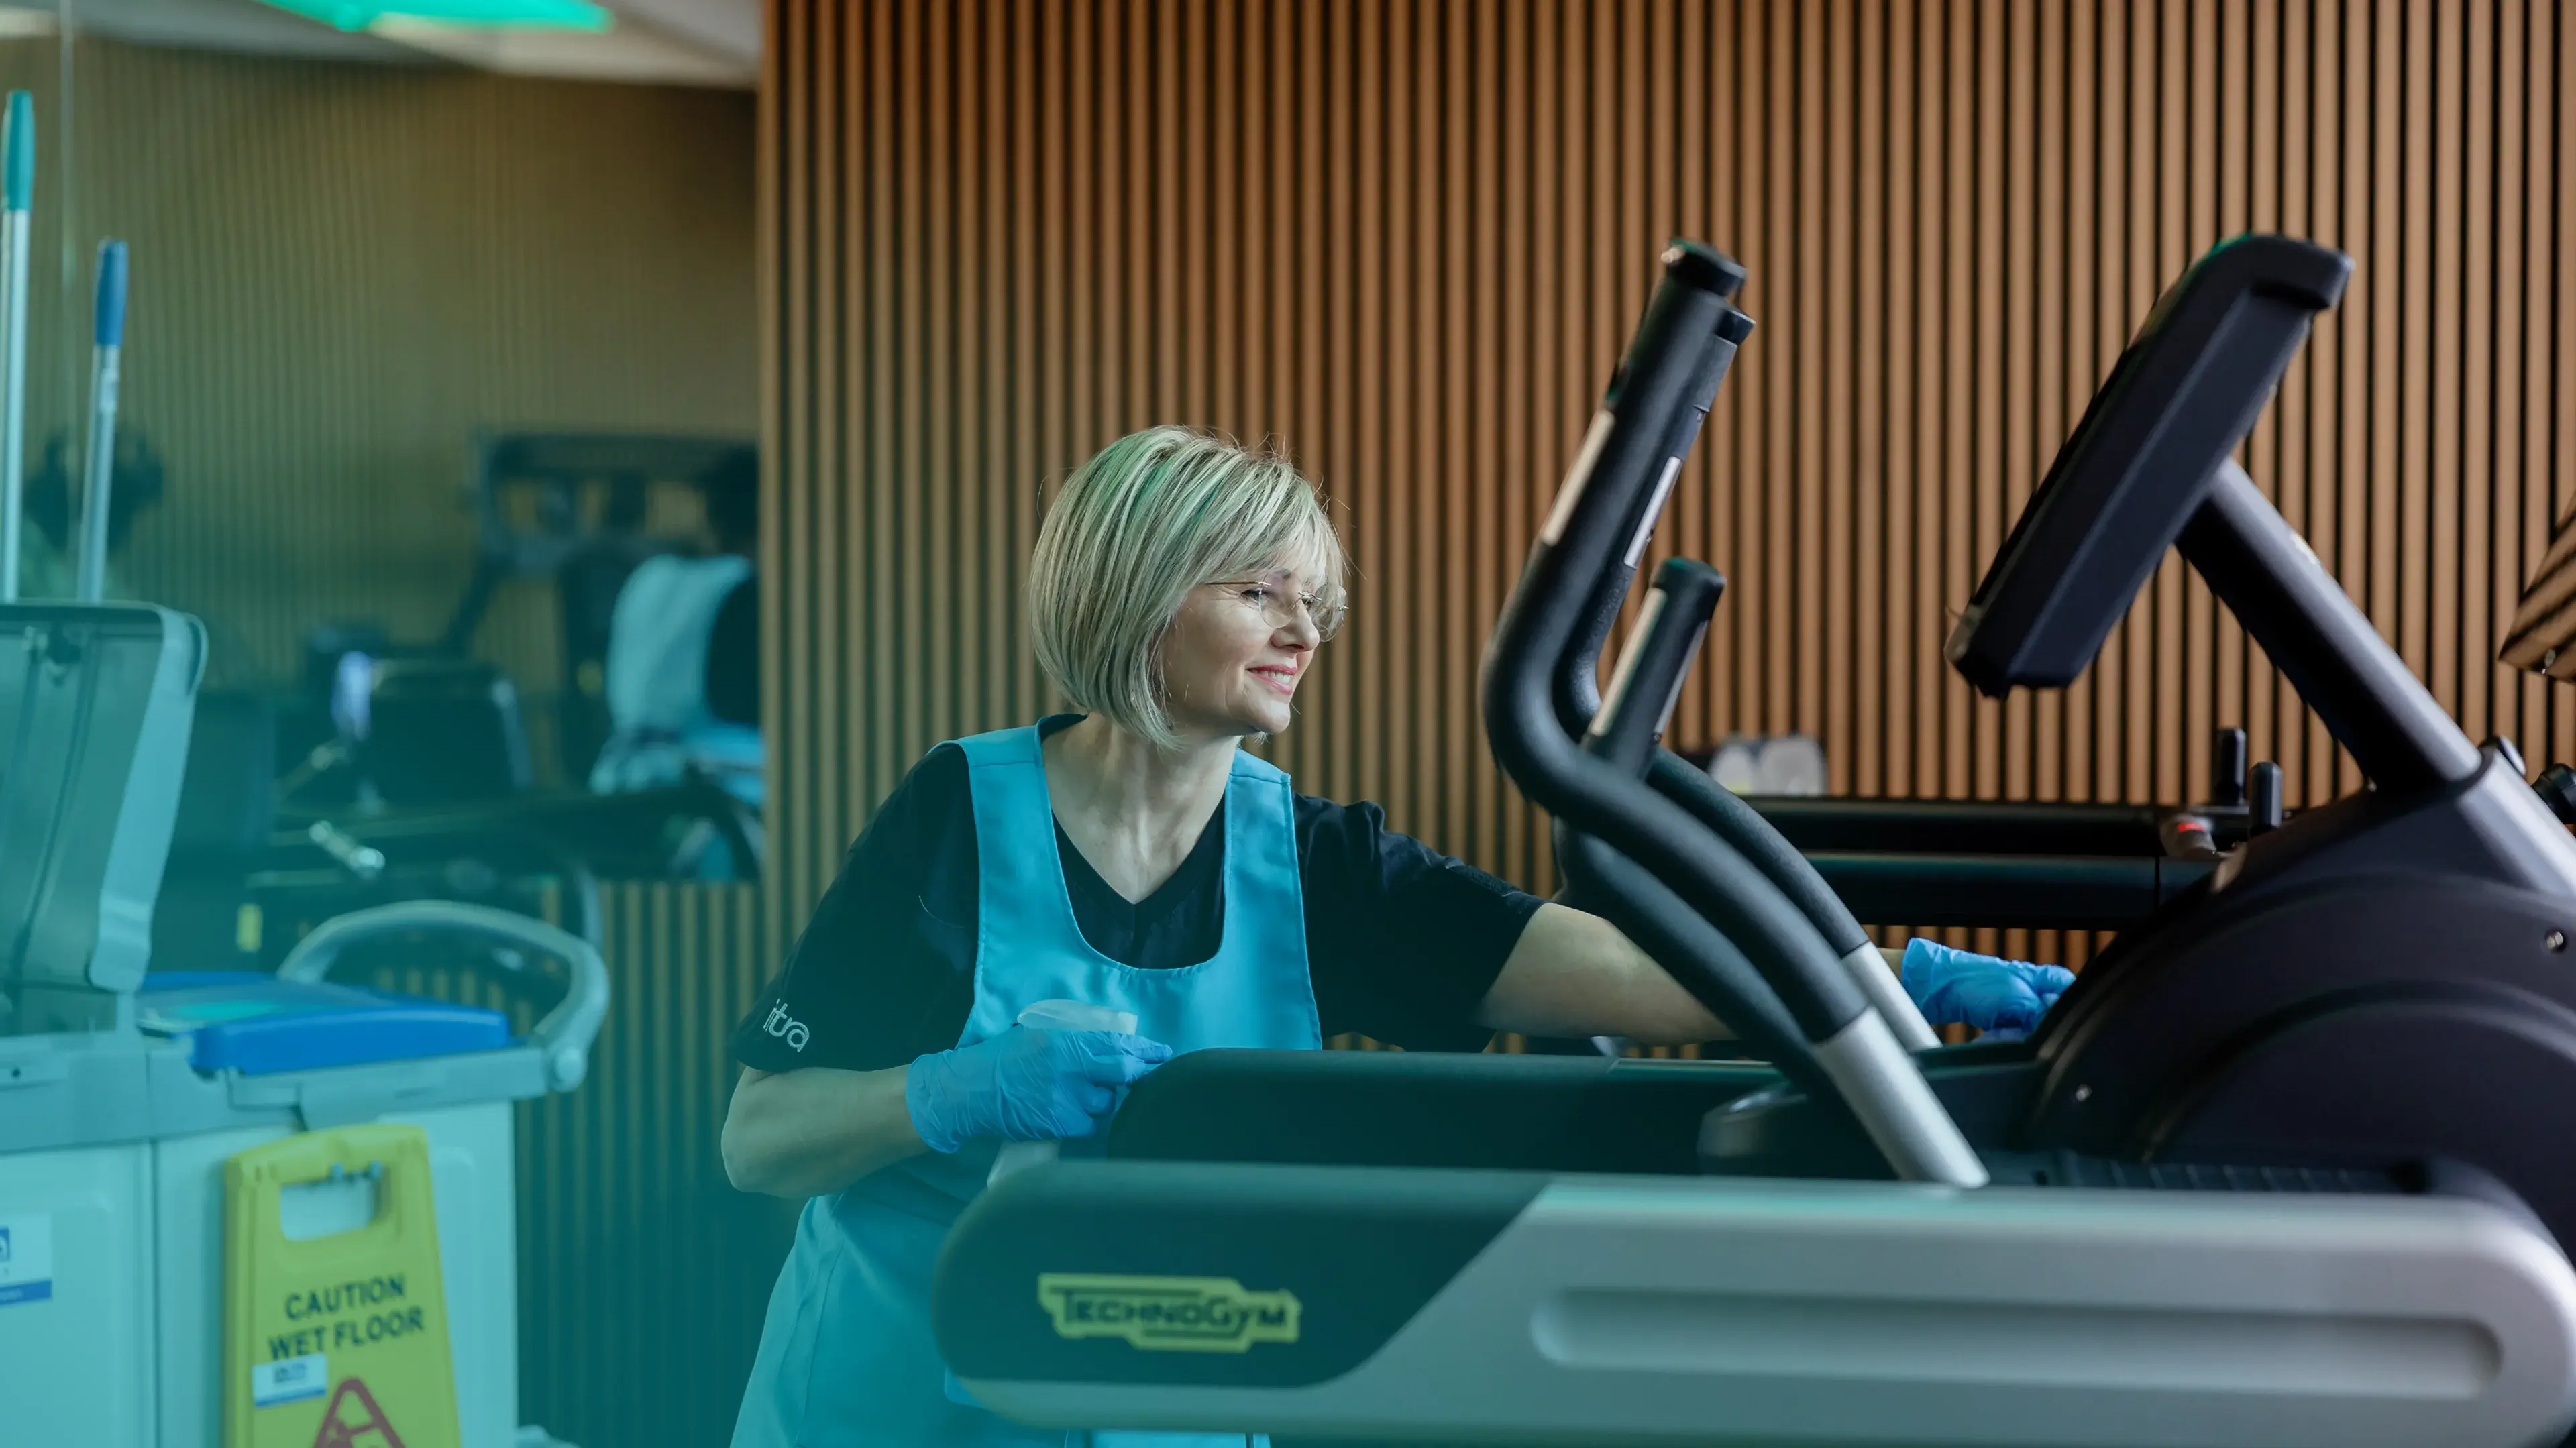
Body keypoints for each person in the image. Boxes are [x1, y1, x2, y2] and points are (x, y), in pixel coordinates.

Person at [720, 425, 2070, 1448]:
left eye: (1312, 597)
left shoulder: (1314, 858)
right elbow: (759, 1136)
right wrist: (948, 1091)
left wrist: (1886, 977)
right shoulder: (953, 813)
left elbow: (1619, 968)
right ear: (1138, 593)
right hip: (896, 1389)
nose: (1306, 629)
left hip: (1161, 1387)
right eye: (1260, 590)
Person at [588, 445, 763, 807]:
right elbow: (747, 705)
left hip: (617, 785)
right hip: (715, 795)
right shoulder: (745, 590)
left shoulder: (650, 577)